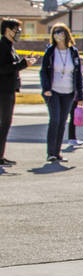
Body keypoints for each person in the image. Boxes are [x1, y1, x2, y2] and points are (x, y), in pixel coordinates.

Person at [39, 23, 83, 163]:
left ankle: (57, 152)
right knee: (55, 120)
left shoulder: (73, 52)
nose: (58, 35)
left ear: (66, 34)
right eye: (55, 32)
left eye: (61, 32)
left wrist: (80, 95)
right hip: (53, 92)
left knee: (62, 122)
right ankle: (51, 152)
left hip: (69, 92)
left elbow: (78, 75)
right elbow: (43, 72)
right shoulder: (50, 52)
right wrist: (46, 88)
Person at [0, 18, 29, 166]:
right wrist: (23, 64)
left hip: (9, 90)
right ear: (7, 30)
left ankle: (1, 155)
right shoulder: (2, 46)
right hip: (3, 92)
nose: (18, 32)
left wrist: (24, 62)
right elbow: (3, 68)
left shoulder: (10, 46)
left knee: (5, 124)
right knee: (3, 124)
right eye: (16, 29)